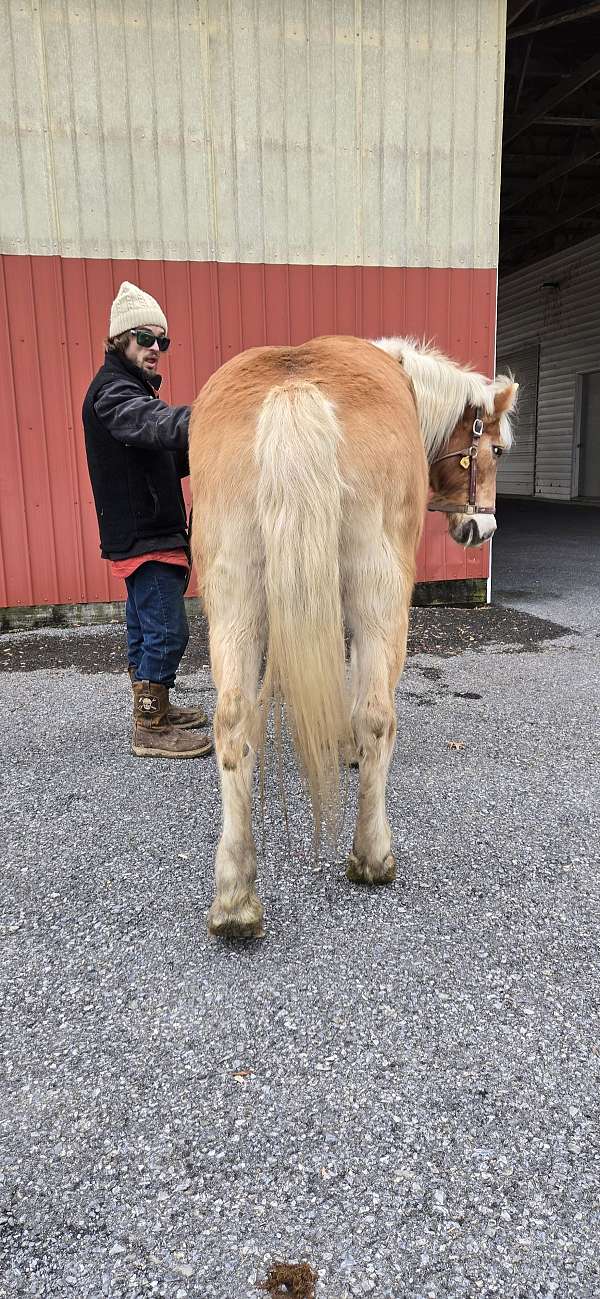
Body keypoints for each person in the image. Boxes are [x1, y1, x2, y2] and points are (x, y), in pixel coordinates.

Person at [82, 281, 212, 758]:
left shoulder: (132, 389)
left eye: (163, 341)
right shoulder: (114, 392)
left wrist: (209, 453)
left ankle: (153, 708)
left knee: (143, 626)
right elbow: (154, 425)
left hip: (146, 531)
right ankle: (151, 728)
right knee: (166, 629)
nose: (156, 349)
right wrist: (221, 418)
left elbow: (163, 452)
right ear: (120, 340)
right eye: (145, 338)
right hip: (144, 534)